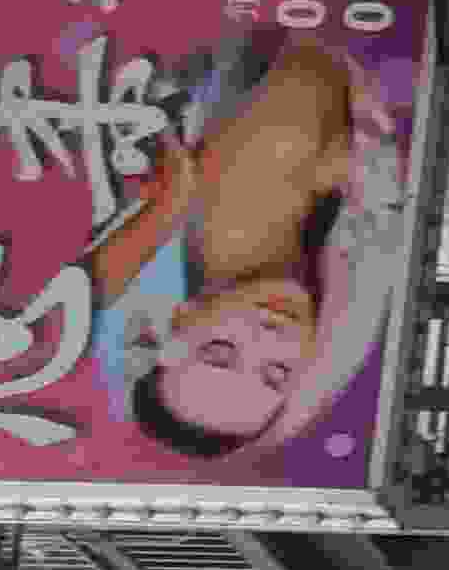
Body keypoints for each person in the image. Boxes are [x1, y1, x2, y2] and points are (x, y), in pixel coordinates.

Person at [83, 30, 400, 460]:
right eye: (277, 372)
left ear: (182, 318)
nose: (271, 336)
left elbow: (334, 29)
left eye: (221, 350)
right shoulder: (344, 278)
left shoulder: (234, 197)